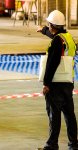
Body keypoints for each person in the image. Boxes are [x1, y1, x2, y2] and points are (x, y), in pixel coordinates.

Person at [37, 10, 78, 150]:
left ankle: (51, 145)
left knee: (54, 115)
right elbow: (56, 39)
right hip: (68, 82)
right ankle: (74, 143)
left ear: (52, 25)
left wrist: (46, 84)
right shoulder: (68, 38)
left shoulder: (56, 41)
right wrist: (43, 31)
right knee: (69, 114)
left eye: (48, 25)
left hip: (55, 83)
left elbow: (52, 64)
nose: (48, 27)